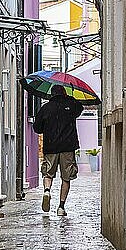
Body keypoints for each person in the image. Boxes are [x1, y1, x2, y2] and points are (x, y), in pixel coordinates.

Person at [33, 84, 83, 216]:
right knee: (66, 177)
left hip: (51, 147)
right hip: (68, 146)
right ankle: (61, 207)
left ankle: (47, 191)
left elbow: (37, 128)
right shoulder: (71, 106)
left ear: (51, 94)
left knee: (48, 173)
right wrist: (71, 99)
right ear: (64, 93)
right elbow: (80, 109)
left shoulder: (46, 108)